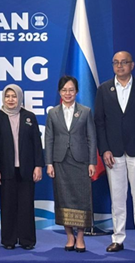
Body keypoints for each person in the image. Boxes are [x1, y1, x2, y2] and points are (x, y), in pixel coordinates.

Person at [94, 52, 135, 253]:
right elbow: (99, 122)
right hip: (113, 153)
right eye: (116, 63)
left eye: (124, 62)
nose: (120, 66)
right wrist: (105, 149)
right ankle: (118, 238)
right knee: (117, 198)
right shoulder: (103, 89)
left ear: (132, 65)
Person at [45, 75, 97, 252]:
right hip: (60, 162)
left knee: (82, 199)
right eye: (64, 90)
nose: (68, 93)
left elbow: (91, 138)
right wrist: (49, 163)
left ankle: (80, 237)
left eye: (71, 90)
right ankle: (69, 236)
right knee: (63, 199)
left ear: (76, 92)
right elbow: (49, 139)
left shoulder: (85, 111)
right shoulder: (53, 113)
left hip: (81, 162)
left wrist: (92, 162)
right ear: (60, 92)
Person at [0, 84, 43, 250]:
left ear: (20, 98)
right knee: (8, 205)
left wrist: (38, 166)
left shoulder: (29, 117)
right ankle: (9, 240)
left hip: (27, 169)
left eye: (14, 96)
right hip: (5, 169)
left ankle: (27, 240)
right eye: (7, 96)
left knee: (26, 206)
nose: (10, 99)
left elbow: (37, 143)